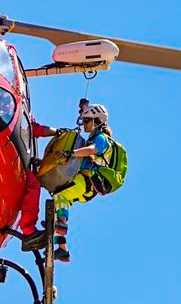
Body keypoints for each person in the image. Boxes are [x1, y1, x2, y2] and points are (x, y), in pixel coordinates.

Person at [49, 100, 122, 262]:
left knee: (60, 196)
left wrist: (70, 153)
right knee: (57, 202)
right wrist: (83, 108)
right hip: (86, 182)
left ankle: (61, 224)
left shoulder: (102, 138)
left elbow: (93, 150)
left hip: (89, 181)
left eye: (87, 121)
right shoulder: (95, 135)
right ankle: (62, 249)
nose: (84, 124)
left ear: (97, 121)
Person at [18, 119, 68, 251]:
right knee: (34, 185)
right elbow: (32, 128)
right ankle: (28, 230)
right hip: (8, 160)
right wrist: (58, 132)